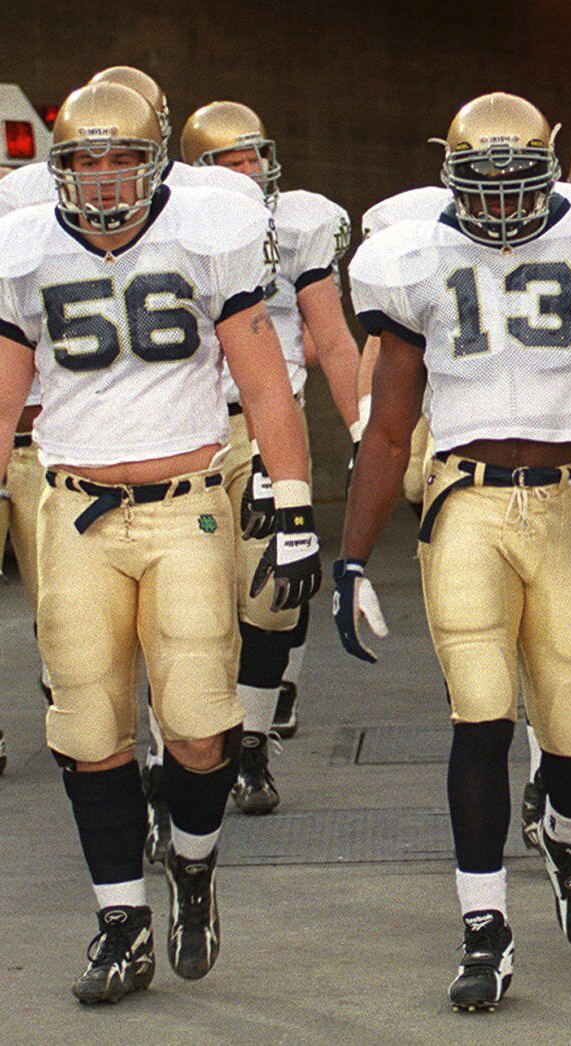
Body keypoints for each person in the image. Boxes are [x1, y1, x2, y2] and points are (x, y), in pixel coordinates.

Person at [339, 92, 571, 1010]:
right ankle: (483, 925)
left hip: (569, 504)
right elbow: (389, 426)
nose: (495, 206)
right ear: (448, 177)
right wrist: (352, 555)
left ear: (549, 171)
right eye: (478, 186)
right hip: (466, 503)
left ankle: (566, 836)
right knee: (480, 714)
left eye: (513, 183)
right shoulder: (411, 258)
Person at [0, 82, 318, 1002]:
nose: (102, 181)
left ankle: (192, 864)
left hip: (188, 505)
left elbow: (265, 386)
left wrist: (294, 509)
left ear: (155, 165)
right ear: (58, 171)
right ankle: (120, 921)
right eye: (84, 162)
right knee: (89, 726)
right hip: (73, 507)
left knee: (196, 723)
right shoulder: (24, 249)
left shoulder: (207, 233)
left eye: (120, 161)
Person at [180, 99, 363, 811]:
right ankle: (197, 746)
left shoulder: (299, 224)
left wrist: (361, 433)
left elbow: (336, 338)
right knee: (195, 607)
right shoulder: (169, 230)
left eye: (254, 155)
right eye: (229, 161)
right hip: (189, 428)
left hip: (270, 424)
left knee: (274, 597)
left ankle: (251, 742)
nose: (247, 172)